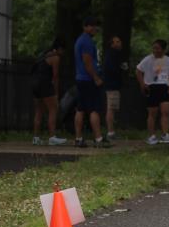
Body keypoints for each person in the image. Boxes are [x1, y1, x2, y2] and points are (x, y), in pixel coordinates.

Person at [73, 17, 110, 148]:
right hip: (88, 79)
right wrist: (96, 77)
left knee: (80, 109)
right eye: (92, 26)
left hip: (80, 78)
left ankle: (78, 138)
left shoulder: (80, 40)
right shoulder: (87, 42)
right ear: (85, 27)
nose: (95, 29)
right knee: (94, 109)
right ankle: (98, 139)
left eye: (96, 26)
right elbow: (87, 62)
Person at [136, 39, 169, 145]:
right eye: (154, 48)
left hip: (164, 87)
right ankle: (152, 136)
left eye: (158, 48)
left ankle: (165, 134)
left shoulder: (167, 59)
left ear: (163, 49)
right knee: (152, 113)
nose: (155, 50)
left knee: (165, 111)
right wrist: (142, 84)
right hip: (152, 87)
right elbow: (138, 70)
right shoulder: (148, 59)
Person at [31, 38, 67, 145]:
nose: (63, 53)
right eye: (63, 50)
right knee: (53, 109)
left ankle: (36, 138)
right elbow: (55, 76)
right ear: (60, 48)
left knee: (38, 111)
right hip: (45, 84)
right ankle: (52, 137)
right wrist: (56, 93)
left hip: (35, 84)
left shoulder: (44, 54)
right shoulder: (55, 57)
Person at [103, 35, 128, 141]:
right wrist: (121, 68)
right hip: (112, 85)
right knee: (111, 108)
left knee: (112, 109)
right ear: (111, 44)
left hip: (113, 85)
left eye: (119, 41)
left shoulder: (115, 54)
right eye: (116, 41)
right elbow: (111, 68)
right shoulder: (112, 54)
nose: (119, 43)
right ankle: (110, 133)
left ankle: (111, 131)